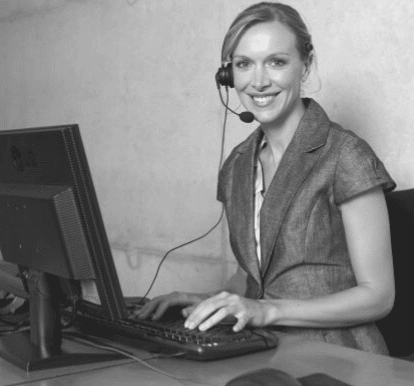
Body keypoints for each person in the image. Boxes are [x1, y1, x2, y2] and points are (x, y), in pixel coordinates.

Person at [136, 2, 396, 355]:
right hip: (263, 348)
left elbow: (379, 297)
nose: (258, 81)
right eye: (244, 64)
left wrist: (266, 310)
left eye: (276, 61)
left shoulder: (345, 154)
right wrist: (201, 300)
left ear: (305, 65)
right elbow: (255, 278)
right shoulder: (237, 165)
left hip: (340, 355)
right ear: (229, 75)